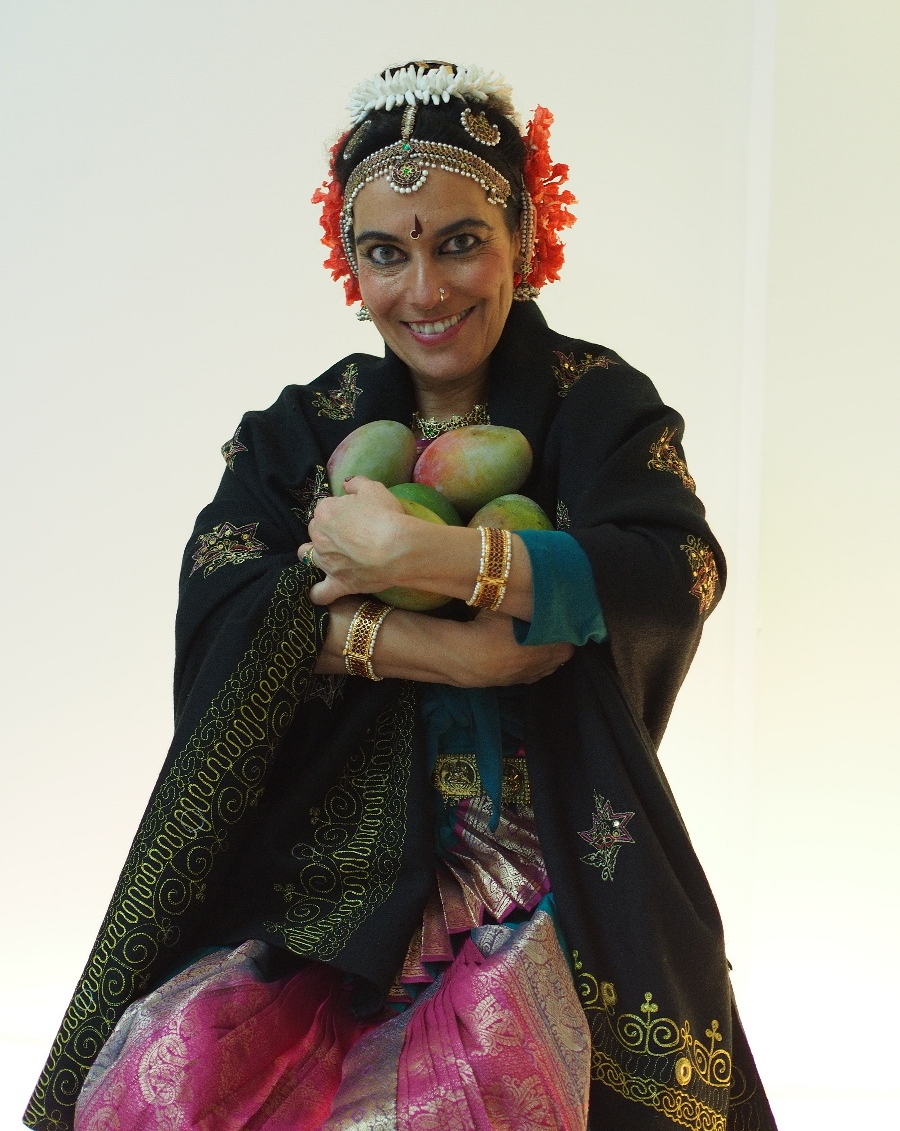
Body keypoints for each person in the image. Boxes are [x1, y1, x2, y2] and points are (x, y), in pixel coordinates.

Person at [26, 62, 776, 1130]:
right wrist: (459, 651)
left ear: (524, 235)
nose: (425, 292)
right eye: (387, 253)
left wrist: (423, 557)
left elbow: (672, 570)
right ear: (353, 263)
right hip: (328, 876)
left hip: (549, 868)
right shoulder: (302, 429)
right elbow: (225, 597)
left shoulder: (600, 408)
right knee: (176, 1080)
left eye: (460, 242)